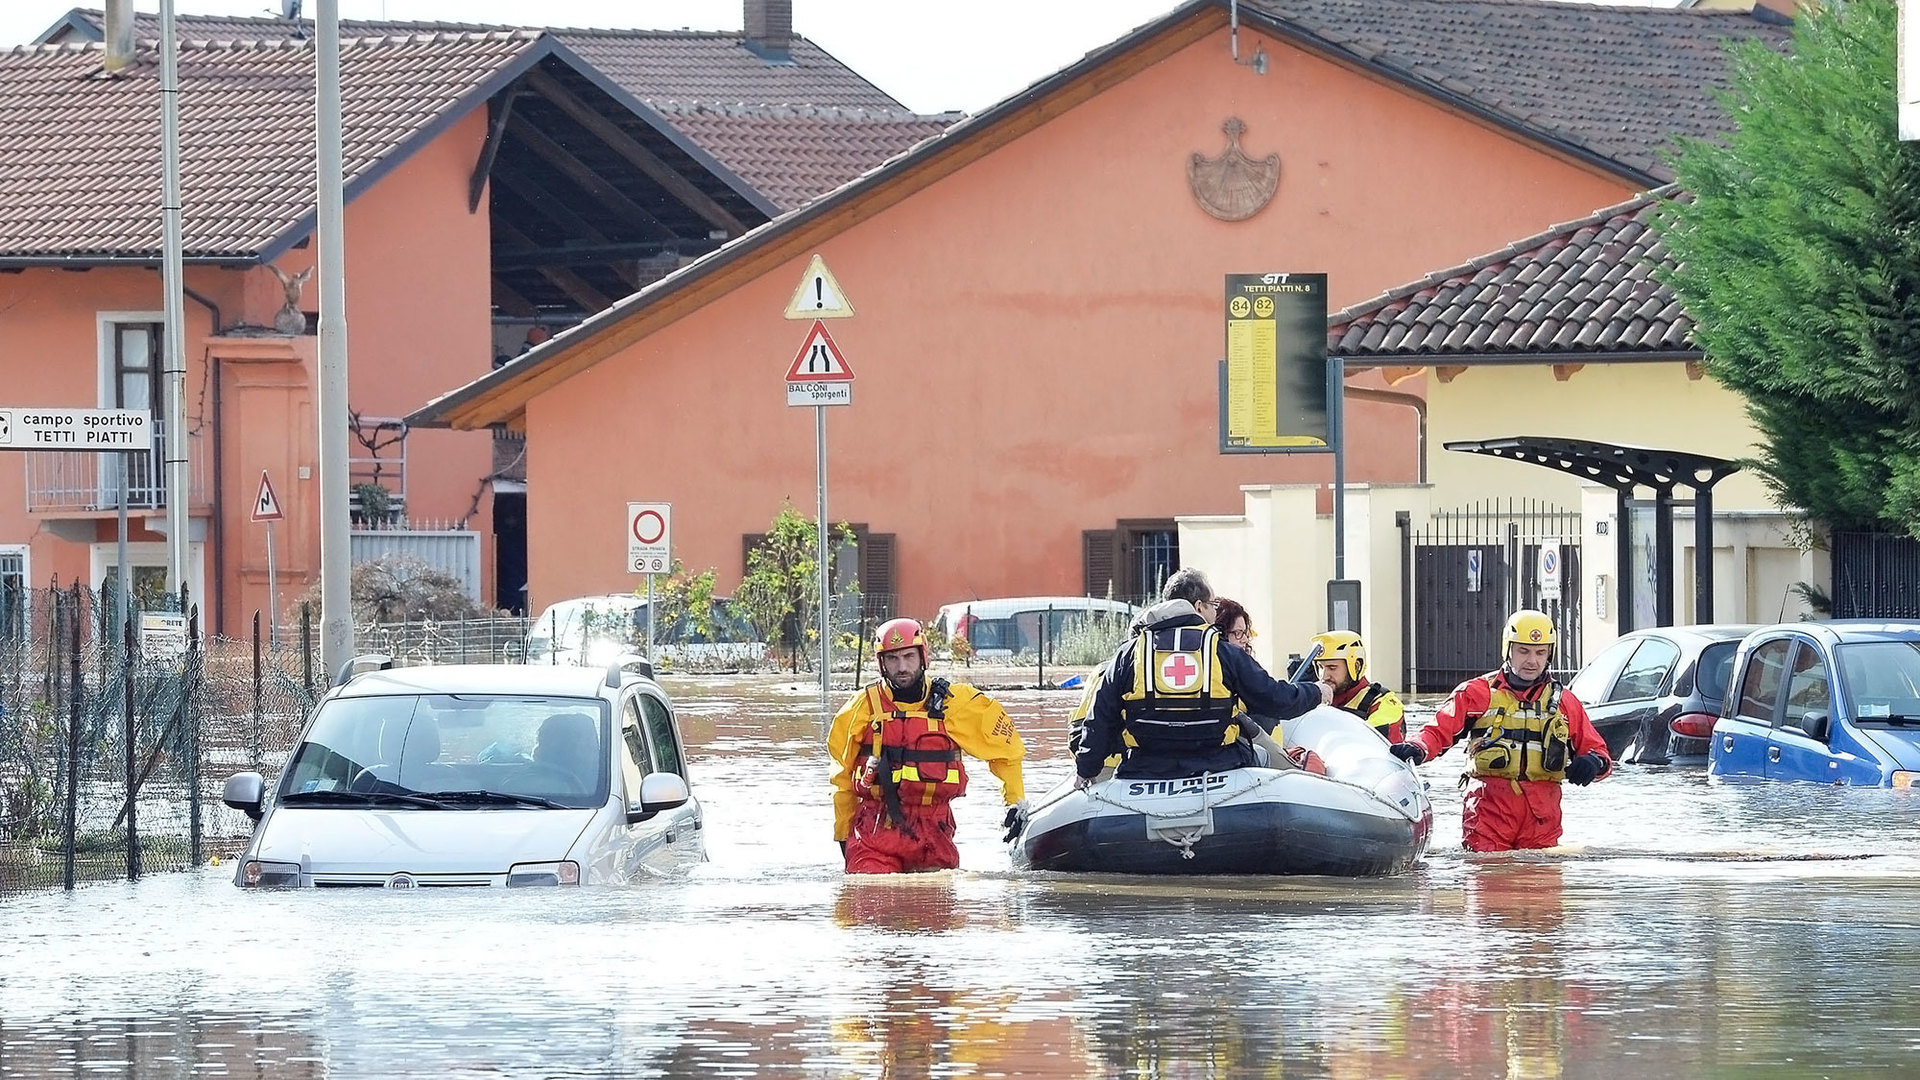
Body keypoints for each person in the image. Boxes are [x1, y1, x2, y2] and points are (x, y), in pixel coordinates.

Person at [1073, 569, 1333, 784]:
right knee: (1266, 759)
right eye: (1212, 606)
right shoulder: (1223, 653)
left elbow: (1099, 719)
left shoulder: (1130, 653)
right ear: (1199, 608)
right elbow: (1275, 699)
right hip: (1220, 765)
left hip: (1144, 768)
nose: (1213, 613)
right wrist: (1316, 691)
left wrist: (1086, 770)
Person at [1389, 609, 1612, 852]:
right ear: (1508, 649)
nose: (1532, 661)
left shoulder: (1565, 702)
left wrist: (1593, 762)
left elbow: (1599, 752)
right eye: (1523, 651)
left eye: (1540, 652)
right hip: (1489, 812)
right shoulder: (1476, 693)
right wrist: (1417, 747)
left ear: (1550, 653)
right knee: (1487, 880)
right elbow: (1437, 731)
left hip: (1542, 816)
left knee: (1542, 885)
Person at [828, 617, 1028, 874]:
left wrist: (1014, 804)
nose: (902, 667)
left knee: (935, 908)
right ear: (881, 663)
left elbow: (1007, 751)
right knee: (872, 904)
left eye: (909, 656)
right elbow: (841, 778)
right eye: (893, 659)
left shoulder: (957, 703)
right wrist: (843, 834)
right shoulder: (860, 708)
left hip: (934, 832)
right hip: (874, 832)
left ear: (923, 656)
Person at [1307, 630, 1407, 742]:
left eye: (1332, 668)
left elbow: (1372, 743)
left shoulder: (1384, 704)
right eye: (1320, 667)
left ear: (1356, 667)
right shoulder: (1312, 700)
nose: (1324, 676)